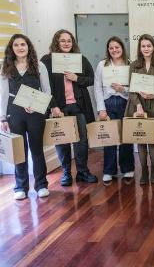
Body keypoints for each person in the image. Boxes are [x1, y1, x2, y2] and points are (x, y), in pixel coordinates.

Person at [0, 34, 57, 199]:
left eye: (23, 44)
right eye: (16, 45)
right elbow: (3, 94)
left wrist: (38, 106)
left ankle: (41, 185)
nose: (20, 47)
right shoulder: (6, 68)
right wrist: (2, 117)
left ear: (28, 46)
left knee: (36, 149)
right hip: (14, 113)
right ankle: (20, 187)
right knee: (19, 150)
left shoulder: (39, 66)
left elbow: (47, 91)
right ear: (12, 48)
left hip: (35, 113)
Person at [41, 29, 98, 186]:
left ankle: (82, 172)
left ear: (73, 43)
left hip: (79, 106)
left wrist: (76, 78)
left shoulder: (80, 59)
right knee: (62, 140)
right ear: (56, 43)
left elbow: (91, 79)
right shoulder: (47, 60)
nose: (66, 43)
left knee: (82, 140)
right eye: (63, 41)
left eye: (69, 40)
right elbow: (44, 85)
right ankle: (66, 173)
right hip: (60, 108)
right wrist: (53, 106)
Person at [124, 34, 154, 185]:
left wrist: (153, 95)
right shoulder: (133, 65)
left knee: (152, 141)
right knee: (140, 140)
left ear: (153, 47)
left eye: (149, 46)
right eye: (143, 46)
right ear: (140, 48)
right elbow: (131, 90)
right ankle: (144, 170)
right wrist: (138, 105)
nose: (146, 48)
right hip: (138, 107)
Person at [94, 36, 135, 183]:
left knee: (126, 138)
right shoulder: (102, 65)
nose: (114, 50)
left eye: (117, 47)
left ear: (122, 48)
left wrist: (123, 89)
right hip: (108, 104)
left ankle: (128, 169)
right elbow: (97, 87)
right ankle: (108, 171)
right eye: (111, 48)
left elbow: (134, 88)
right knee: (109, 138)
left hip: (125, 103)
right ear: (108, 50)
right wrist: (101, 109)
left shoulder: (130, 64)